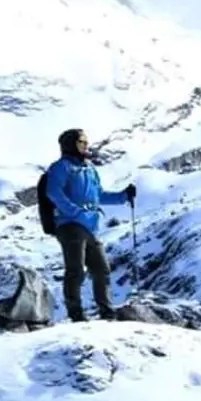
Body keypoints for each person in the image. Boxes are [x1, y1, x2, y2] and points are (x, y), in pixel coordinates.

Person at [44, 128, 136, 321]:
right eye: (82, 142)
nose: (86, 145)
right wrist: (75, 212)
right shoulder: (60, 168)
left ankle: (107, 312)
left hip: (90, 226)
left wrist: (123, 196)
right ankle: (76, 314)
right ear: (70, 145)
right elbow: (53, 193)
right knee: (76, 269)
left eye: (86, 142)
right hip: (69, 225)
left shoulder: (90, 169)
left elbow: (98, 195)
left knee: (101, 269)